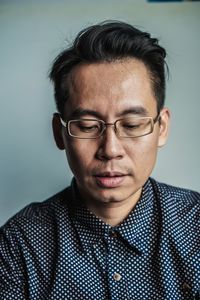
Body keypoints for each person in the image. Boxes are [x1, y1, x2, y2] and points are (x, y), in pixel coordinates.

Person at [0, 21, 199, 300]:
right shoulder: (19, 244)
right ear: (60, 133)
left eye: (131, 124)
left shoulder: (196, 227)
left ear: (161, 128)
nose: (110, 149)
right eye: (88, 125)